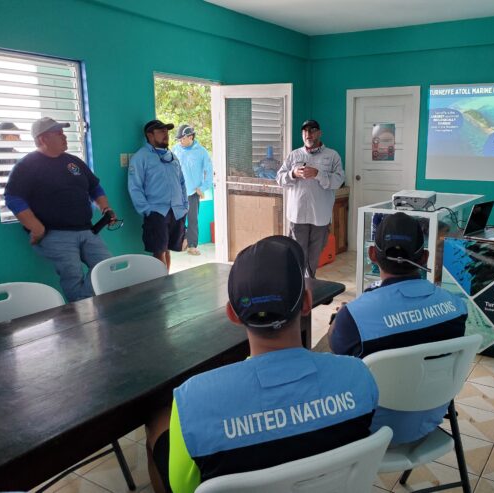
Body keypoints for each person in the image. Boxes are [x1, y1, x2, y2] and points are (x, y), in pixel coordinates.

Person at [144, 235, 378, 493]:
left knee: (157, 423)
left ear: (233, 314)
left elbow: (183, 488)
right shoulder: (359, 376)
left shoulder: (191, 403)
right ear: (307, 303)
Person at [328, 212, 468, 445]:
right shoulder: (457, 307)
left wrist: (340, 317)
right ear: (424, 257)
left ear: (372, 254)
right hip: (431, 419)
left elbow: (336, 352)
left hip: (370, 431)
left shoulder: (354, 318)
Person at [4, 117, 115, 301]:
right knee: (73, 276)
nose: (64, 137)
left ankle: (86, 307)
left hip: (87, 230)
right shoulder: (27, 165)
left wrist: (105, 208)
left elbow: (94, 187)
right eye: (58, 134)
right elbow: (13, 198)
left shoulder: (74, 162)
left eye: (63, 133)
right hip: (55, 234)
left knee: (107, 267)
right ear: (42, 139)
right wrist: (36, 227)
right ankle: (82, 313)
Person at [277, 119, 344, 278]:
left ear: (319, 133)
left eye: (312, 130)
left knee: (314, 254)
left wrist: (318, 174)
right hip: (297, 215)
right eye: (305, 131)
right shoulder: (294, 155)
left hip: (320, 216)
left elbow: (338, 181)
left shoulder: (332, 156)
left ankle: (309, 281)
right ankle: (298, 283)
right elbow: (279, 179)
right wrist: (293, 174)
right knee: (297, 252)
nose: (308, 134)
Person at [128, 120, 188, 270]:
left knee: (167, 249)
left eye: (166, 132)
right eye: (161, 132)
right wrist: (147, 210)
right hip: (157, 212)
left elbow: (181, 182)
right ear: (150, 135)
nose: (166, 135)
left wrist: (185, 205)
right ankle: (161, 283)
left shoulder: (172, 157)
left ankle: (167, 279)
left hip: (176, 211)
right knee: (159, 250)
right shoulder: (141, 157)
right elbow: (135, 187)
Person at [172, 124, 213, 256]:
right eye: (179, 139)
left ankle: (192, 245)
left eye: (182, 138)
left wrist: (203, 188)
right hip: (177, 192)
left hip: (192, 192)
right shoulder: (175, 149)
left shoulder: (201, 152)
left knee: (192, 219)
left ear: (190, 137)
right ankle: (181, 241)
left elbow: (209, 172)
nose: (180, 141)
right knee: (177, 218)